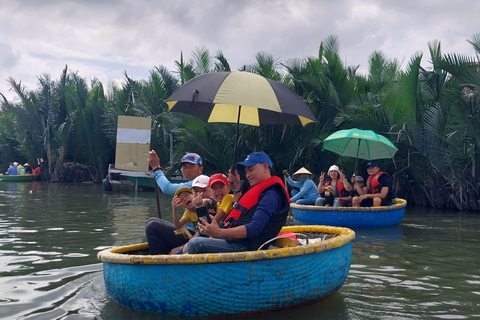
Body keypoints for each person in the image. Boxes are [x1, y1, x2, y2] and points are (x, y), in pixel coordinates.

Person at [187, 152, 290, 254]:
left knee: (196, 244)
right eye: (246, 172)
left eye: (251, 169)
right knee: (201, 234)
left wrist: (219, 232)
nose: (247, 175)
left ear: (265, 167)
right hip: (236, 241)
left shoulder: (271, 195)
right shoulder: (259, 191)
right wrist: (236, 185)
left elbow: (255, 228)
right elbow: (240, 214)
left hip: (247, 247)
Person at [145, 186, 202, 255]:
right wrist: (174, 210)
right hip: (189, 234)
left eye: (187, 195)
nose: (185, 199)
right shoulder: (188, 213)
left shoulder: (202, 206)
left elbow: (202, 229)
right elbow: (177, 226)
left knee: (152, 226)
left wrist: (191, 240)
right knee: (150, 221)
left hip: (196, 236)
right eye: (181, 200)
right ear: (182, 206)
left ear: (194, 195)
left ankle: (159, 259)